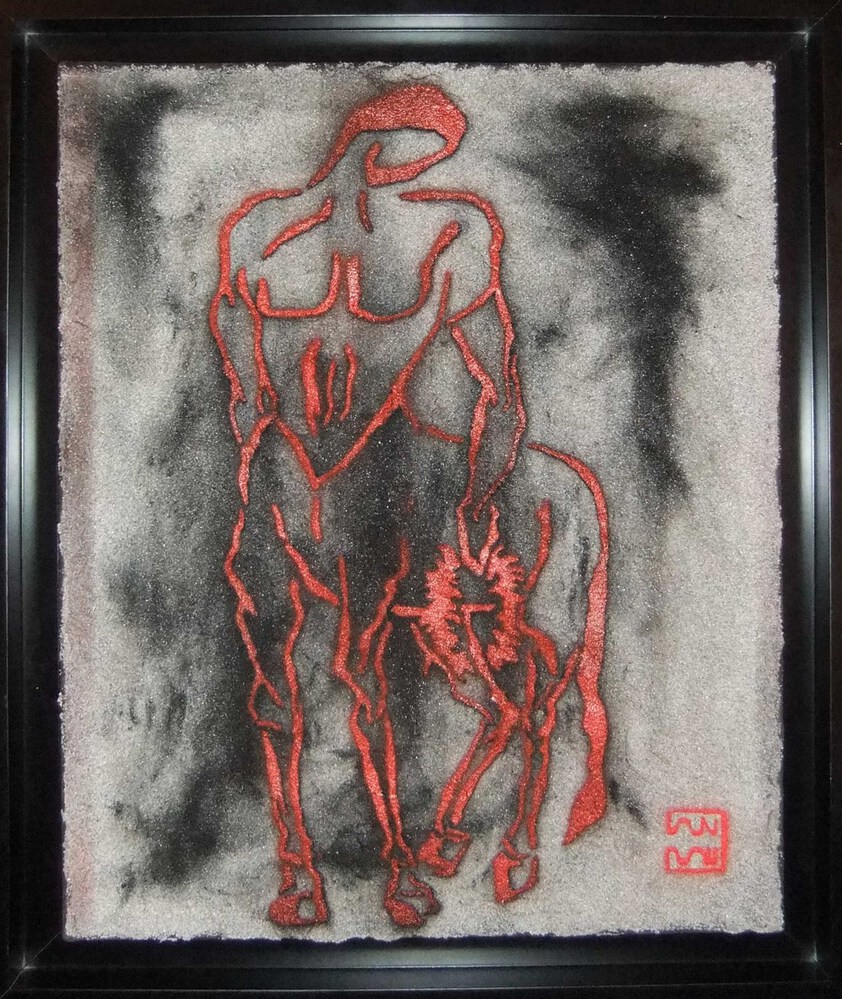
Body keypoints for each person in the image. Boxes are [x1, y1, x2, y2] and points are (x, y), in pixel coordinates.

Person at [209, 83, 609, 929]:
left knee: (349, 678)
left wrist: (473, 498)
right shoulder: (427, 235)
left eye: (423, 153)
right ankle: (321, 868)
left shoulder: (438, 234)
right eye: (413, 148)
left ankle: (361, 868)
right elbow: (499, 398)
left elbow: (500, 397)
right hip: (303, 486)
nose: (398, 167)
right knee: (308, 683)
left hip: (325, 485)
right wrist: (472, 495)